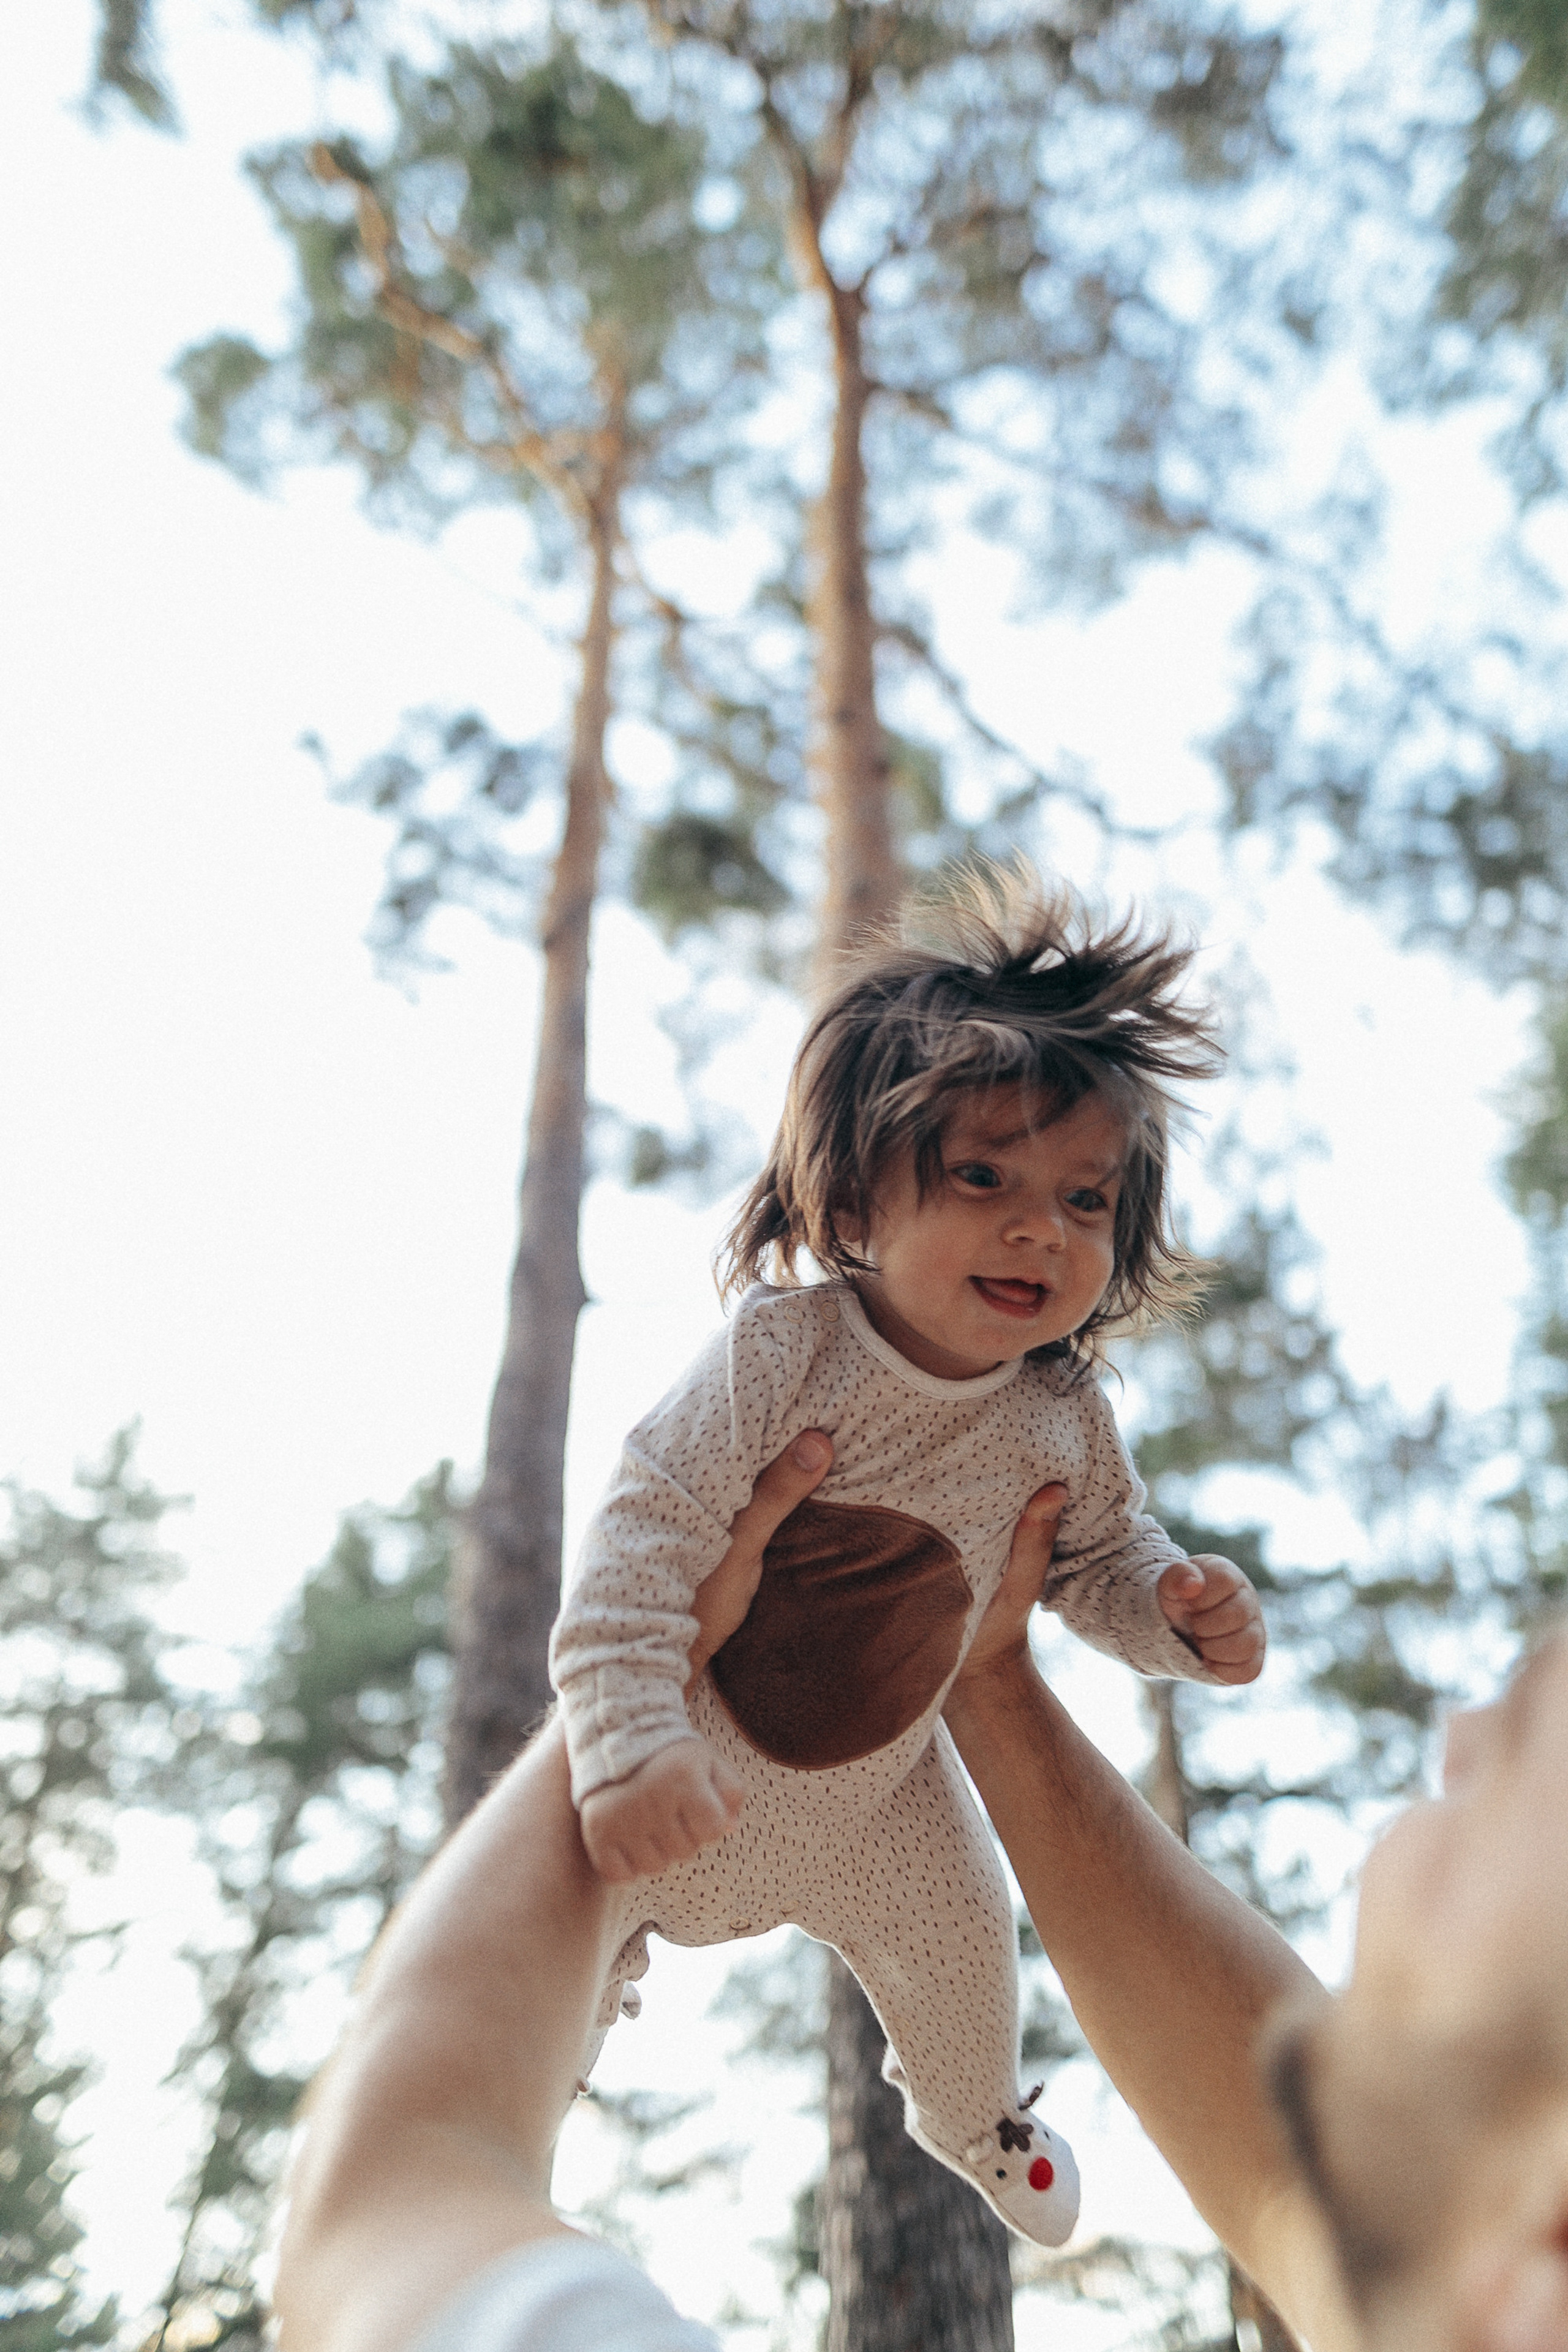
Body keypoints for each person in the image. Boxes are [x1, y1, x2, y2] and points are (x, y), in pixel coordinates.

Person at [273, 1437, 1568, 2352]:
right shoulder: (1479, 2272)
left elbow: (391, 2193)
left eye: (1518, 1741)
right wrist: (987, 1673)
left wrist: (647, 1672)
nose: (1458, 1734)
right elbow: (1283, 2169)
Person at [547, 870, 1265, 2244]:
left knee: (963, 1930)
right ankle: (525, 2108)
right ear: (855, 1200)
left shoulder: (1058, 1415)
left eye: (1085, 1199)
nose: (1039, 1228)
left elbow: (1101, 1557)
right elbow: (644, 1537)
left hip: (877, 1794)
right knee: (548, 1934)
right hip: (683, 1755)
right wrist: (628, 1739)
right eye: (984, 1177)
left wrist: (1174, 1615)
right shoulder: (784, 1356)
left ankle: (978, 2122)